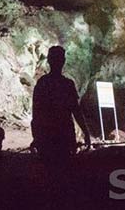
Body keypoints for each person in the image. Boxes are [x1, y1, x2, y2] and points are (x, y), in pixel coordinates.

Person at [31, 46, 91, 175]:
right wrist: (86, 132)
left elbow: (36, 112)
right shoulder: (67, 84)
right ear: (63, 61)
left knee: (47, 176)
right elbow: (76, 111)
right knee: (65, 174)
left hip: (46, 136)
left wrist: (36, 136)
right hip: (64, 136)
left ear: (49, 61)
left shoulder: (42, 83)